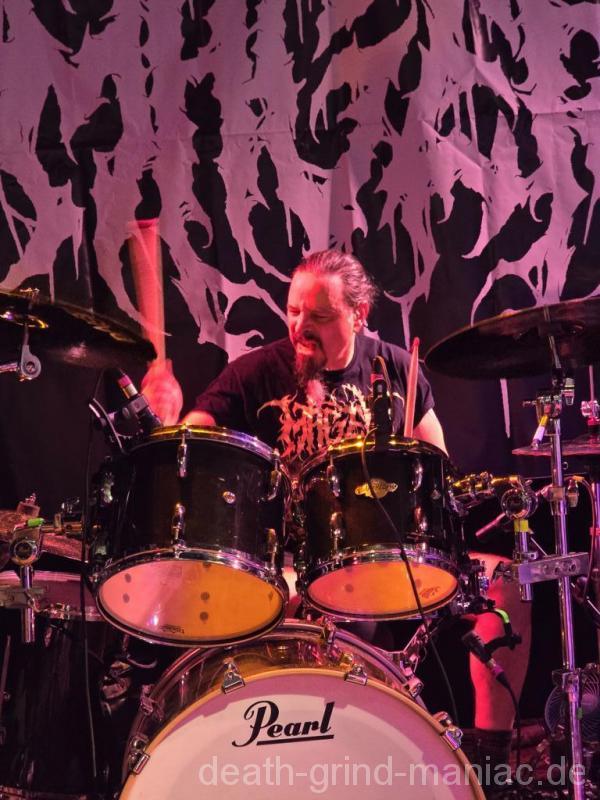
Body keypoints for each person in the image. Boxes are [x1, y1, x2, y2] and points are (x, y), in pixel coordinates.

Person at [142, 249, 531, 788]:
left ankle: (492, 766)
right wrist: (167, 424)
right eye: (293, 311)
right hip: (292, 566)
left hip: (392, 559)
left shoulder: (397, 368)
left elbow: (436, 467)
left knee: (508, 586)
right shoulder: (255, 373)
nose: (300, 326)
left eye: (319, 316)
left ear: (359, 314)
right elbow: (193, 443)